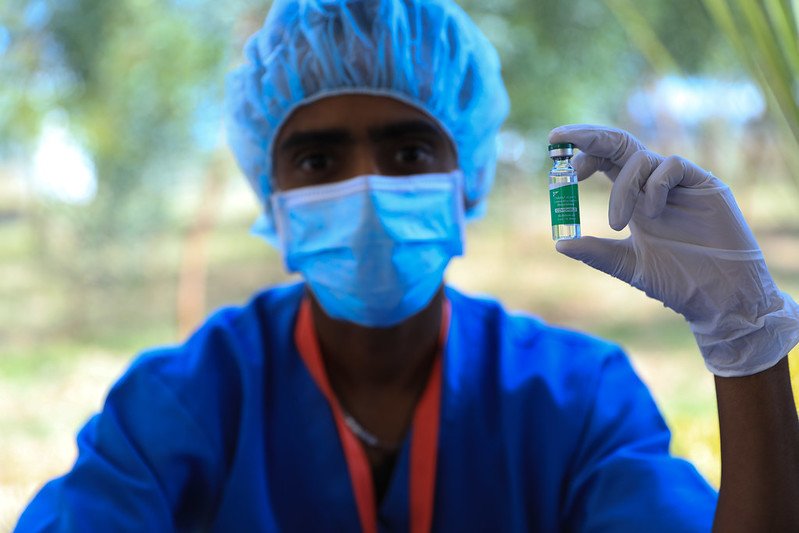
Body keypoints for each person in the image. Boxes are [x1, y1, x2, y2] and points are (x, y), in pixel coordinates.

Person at [16, 0, 799, 531]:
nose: (368, 187)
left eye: (408, 149)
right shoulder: (182, 405)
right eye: (318, 157)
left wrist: (745, 343)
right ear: (272, 190)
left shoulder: (572, 400)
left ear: (468, 175)